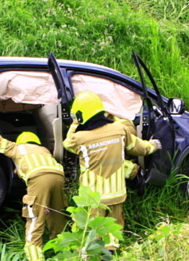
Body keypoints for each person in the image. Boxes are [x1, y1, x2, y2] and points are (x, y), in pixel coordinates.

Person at [62, 92, 161, 250]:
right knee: (113, 228)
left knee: (92, 230)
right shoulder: (120, 129)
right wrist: (154, 145)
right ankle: (110, 258)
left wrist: (75, 123)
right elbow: (139, 148)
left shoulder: (79, 138)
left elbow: (67, 143)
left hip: (92, 197)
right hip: (116, 194)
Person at [0, 128, 66, 261]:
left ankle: (35, 260)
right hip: (58, 177)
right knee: (55, 215)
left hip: (39, 179)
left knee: (35, 218)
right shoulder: (44, 150)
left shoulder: (18, 148)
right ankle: (64, 254)